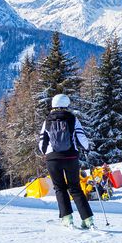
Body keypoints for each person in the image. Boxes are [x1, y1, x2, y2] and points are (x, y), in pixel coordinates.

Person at [38, 94, 95, 229]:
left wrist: (46, 154)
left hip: (53, 159)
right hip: (71, 158)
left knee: (60, 188)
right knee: (75, 188)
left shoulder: (47, 121)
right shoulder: (72, 119)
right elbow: (81, 137)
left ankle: (67, 218)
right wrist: (86, 149)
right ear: (66, 104)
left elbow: (42, 143)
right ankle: (88, 219)